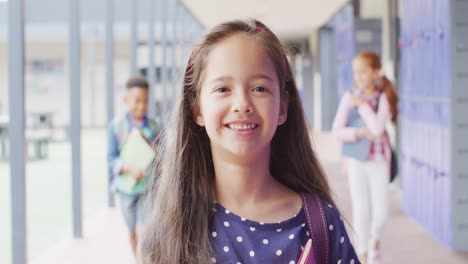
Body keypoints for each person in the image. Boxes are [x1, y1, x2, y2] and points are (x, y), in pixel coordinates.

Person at [139, 19, 359, 264]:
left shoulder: (320, 224)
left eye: (259, 88)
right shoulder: (168, 233)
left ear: (283, 106)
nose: (242, 104)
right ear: (197, 109)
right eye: (223, 89)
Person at [332, 51, 398, 264]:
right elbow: (337, 130)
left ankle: (375, 239)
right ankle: (361, 254)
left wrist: (361, 105)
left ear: (376, 72)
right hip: (356, 161)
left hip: (378, 160)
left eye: (362, 71)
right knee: (360, 207)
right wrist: (358, 133)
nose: (358, 76)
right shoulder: (349, 96)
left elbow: (378, 129)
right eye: (355, 72)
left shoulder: (383, 97)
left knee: (381, 212)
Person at [107, 76, 160, 256]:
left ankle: (144, 257)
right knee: (132, 231)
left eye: (145, 101)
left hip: (148, 188)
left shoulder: (155, 126)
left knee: (144, 230)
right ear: (126, 100)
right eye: (137, 101)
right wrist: (128, 168)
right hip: (127, 190)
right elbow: (111, 158)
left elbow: (163, 154)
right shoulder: (116, 126)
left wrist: (151, 146)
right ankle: (138, 258)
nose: (141, 106)